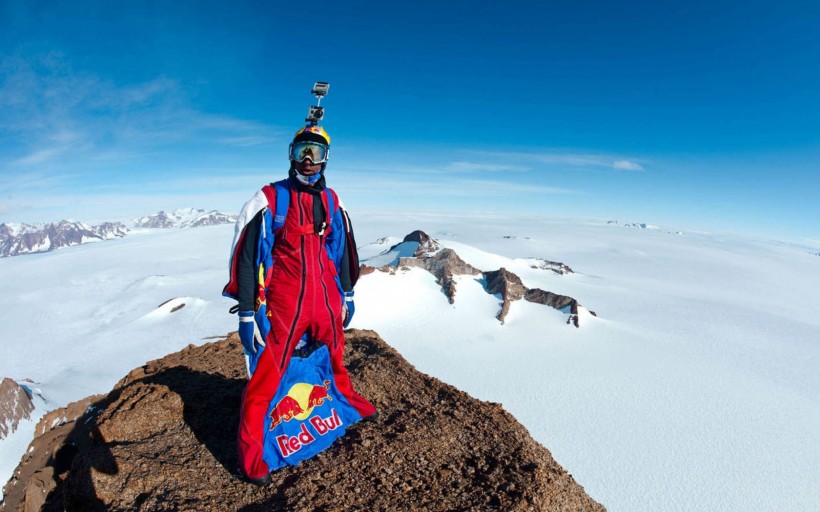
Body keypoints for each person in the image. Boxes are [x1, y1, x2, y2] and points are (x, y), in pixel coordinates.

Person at [223, 124, 376, 484]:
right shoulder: (269, 199)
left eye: (316, 153)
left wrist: (347, 293)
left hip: (324, 296)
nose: (308, 160)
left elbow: (342, 250)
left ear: (327, 158)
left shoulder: (332, 201)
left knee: (335, 355)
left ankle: (348, 403)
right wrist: (247, 312)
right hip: (284, 301)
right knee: (267, 373)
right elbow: (246, 258)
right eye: (301, 151)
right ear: (290, 154)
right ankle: (253, 455)